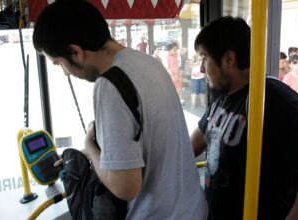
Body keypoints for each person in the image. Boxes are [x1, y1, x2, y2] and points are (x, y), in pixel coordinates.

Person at [33, 0, 207, 219]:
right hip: (192, 208)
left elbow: (125, 187)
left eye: (59, 64)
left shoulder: (110, 86)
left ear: (75, 52)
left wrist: (90, 146)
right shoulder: (148, 62)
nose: (66, 73)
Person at [191, 16, 298, 220]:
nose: (201, 69)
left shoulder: (271, 97)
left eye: (204, 58)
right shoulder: (223, 97)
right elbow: (197, 140)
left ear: (229, 59)